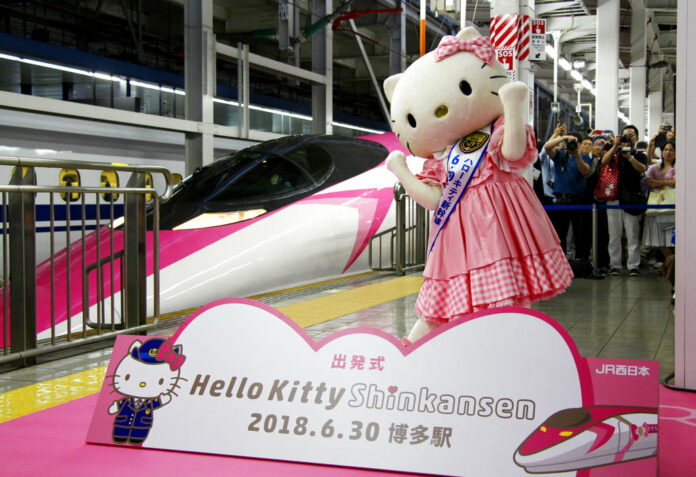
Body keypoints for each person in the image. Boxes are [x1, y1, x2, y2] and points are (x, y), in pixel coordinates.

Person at [602, 125, 648, 276]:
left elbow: (642, 169)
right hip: (614, 198)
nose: (628, 139)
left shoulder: (640, 155)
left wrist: (630, 157)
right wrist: (615, 145)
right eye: (625, 136)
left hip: (632, 198)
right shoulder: (615, 153)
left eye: (631, 136)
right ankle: (614, 264)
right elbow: (604, 161)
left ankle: (633, 265)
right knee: (613, 234)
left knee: (632, 234)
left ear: (636, 138)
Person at [544, 127, 592, 266]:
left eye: (574, 142)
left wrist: (577, 154)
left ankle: (581, 261)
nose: (571, 144)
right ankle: (561, 262)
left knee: (580, 232)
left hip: (577, 199)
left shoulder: (583, 157)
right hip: (561, 199)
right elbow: (547, 147)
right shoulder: (560, 155)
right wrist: (564, 138)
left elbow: (584, 171)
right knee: (560, 233)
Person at [642, 139, 676, 272]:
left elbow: (675, 183)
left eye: (671, 150)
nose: (668, 152)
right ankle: (671, 263)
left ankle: (672, 265)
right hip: (657, 208)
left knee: (672, 238)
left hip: (672, 208)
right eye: (666, 150)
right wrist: (667, 182)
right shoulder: (654, 167)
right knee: (659, 238)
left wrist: (660, 183)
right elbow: (649, 182)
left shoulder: (678, 167)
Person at [584, 135, 610, 273]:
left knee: (604, 234)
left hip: (605, 201)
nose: (599, 147)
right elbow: (588, 175)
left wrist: (609, 151)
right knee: (587, 233)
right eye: (596, 144)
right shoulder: (587, 159)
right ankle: (586, 263)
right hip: (589, 200)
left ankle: (603, 262)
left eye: (603, 144)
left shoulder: (609, 159)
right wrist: (594, 158)